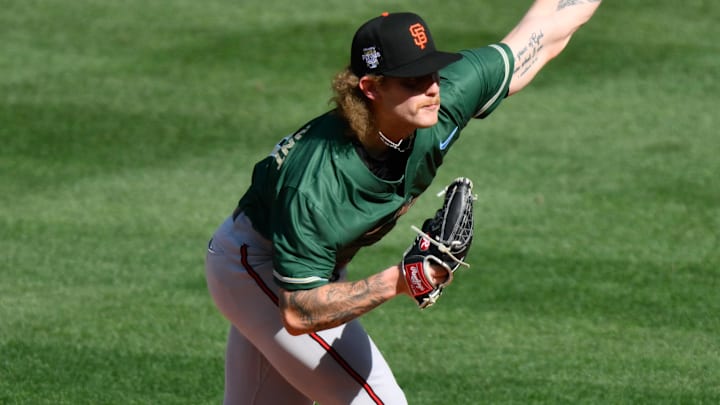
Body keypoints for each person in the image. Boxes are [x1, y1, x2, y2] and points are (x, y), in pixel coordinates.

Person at [205, 1, 602, 404]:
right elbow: (297, 312)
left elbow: (543, 34)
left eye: (430, 70)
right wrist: (400, 279)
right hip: (261, 269)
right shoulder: (316, 182)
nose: (431, 87)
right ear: (371, 88)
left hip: (309, 268)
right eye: (411, 79)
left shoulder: (442, 97)